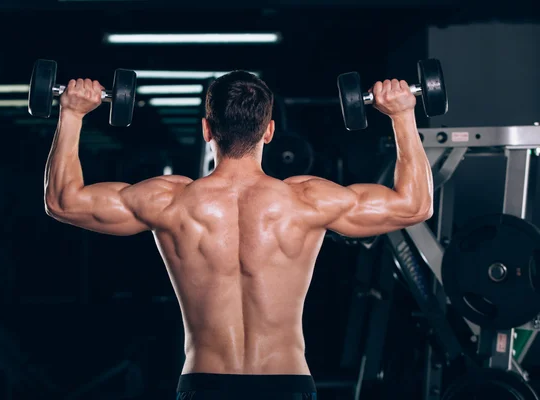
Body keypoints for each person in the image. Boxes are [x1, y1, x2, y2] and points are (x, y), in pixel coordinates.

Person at [44, 71, 433, 399]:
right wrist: (402, 114)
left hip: (204, 382)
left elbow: (63, 202)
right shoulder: (307, 200)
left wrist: (73, 113)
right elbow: (415, 206)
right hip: (287, 382)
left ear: (206, 129)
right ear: (269, 132)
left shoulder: (169, 201)